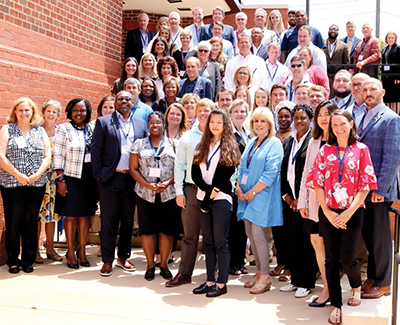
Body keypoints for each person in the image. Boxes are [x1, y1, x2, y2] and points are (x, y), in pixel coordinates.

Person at [306, 109, 378, 324]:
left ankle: (355, 286)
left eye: (342, 124)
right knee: (330, 260)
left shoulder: (362, 149)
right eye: (334, 125)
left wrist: (347, 213)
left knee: (347, 258)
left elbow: (365, 185)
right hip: (328, 212)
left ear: (351, 124)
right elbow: (316, 183)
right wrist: (327, 212)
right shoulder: (325, 149)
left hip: (353, 212)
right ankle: (336, 304)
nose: (338, 128)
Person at [91, 91, 147, 276]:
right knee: (109, 220)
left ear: (133, 102)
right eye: (120, 99)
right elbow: (96, 150)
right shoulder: (104, 122)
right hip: (110, 178)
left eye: (127, 99)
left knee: (128, 220)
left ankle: (123, 257)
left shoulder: (140, 123)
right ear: (115, 102)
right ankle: (107, 260)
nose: (124, 101)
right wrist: (99, 176)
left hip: (132, 179)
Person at [358, 78, 400, 299]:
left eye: (373, 89)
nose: (368, 92)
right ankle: (373, 277)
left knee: (381, 238)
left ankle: (384, 283)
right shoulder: (363, 115)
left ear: (382, 91)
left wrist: (381, 189)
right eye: (364, 90)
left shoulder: (391, 119)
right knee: (370, 236)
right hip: (364, 190)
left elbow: (392, 157)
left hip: (378, 192)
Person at [165, 98, 215, 287]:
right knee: (190, 236)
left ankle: (214, 274)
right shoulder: (187, 137)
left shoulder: (219, 135)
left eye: (207, 110)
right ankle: (185, 274)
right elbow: (179, 166)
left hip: (213, 193)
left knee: (213, 236)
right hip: (191, 191)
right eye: (200, 110)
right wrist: (179, 191)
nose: (203, 113)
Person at [191, 108, 240, 297]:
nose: (215, 125)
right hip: (202, 197)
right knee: (208, 243)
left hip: (220, 200)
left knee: (221, 242)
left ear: (225, 124)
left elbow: (223, 177)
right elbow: (195, 173)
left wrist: (207, 199)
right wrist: (203, 196)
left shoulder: (229, 146)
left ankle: (221, 284)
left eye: (219, 122)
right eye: (212, 122)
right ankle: (209, 280)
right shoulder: (202, 145)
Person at [0, 98, 51, 274]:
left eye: (27, 110)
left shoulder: (40, 131)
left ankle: (28, 260)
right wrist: (18, 175)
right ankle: (13, 260)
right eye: (20, 110)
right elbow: (1, 156)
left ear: (32, 112)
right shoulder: (7, 129)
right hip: (12, 184)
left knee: (31, 222)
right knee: (13, 222)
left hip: (36, 184)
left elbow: (47, 156)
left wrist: (37, 175)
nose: (24, 113)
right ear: (15, 111)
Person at [236, 107, 284, 294]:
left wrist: (251, 193)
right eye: (256, 121)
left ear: (270, 124)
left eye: (263, 121)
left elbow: (271, 172)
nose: (259, 124)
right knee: (249, 232)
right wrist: (239, 187)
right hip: (246, 195)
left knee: (258, 234)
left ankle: (265, 276)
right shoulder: (251, 142)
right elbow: (241, 167)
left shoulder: (274, 143)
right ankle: (258, 272)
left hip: (261, 195)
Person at [129, 111, 180, 281]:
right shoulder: (139, 144)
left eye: (158, 123)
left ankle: (163, 265)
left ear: (163, 125)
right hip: (145, 194)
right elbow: (133, 169)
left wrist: (167, 183)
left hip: (168, 193)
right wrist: (148, 185)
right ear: (147, 125)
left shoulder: (174, 144)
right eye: (152, 123)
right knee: (148, 231)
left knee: (166, 231)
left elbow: (180, 168)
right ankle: (150, 265)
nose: (155, 125)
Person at [298, 100, 338, 307]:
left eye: (328, 114)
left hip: (334, 204)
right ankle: (327, 287)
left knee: (333, 247)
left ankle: (336, 287)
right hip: (313, 203)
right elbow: (307, 173)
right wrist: (303, 200)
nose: (323, 118)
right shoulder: (313, 142)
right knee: (316, 243)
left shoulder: (340, 142)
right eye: (320, 114)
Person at [278, 104, 318, 298]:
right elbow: (284, 170)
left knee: (306, 243)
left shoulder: (314, 141)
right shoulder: (288, 141)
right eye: (296, 118)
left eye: (303, 118)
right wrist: (287, 196)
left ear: (310, 119)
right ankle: (295, 280)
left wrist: (301, 200)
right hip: (290, 201)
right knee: (292, 241)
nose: (299, 121)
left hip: (307, 202)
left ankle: (306, 282)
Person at [53, 98, 98, 269]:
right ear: (70, 112)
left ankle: (82, 251)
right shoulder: (64, 129)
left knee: (85, 216)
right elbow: (57, 154)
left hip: (89, 179)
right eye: (76, 111)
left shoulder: (92, 128)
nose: (79, 114)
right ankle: (70, 251)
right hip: (70, 177)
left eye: (83, 110)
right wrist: (61, 179)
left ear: (87, 112)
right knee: (71, 215)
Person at [36, 100, 63, 263]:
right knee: (37, 215)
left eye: (54, 112)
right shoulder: (36, 131)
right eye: (49, 111)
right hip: (38, 179)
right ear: (43, 113)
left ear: (58, 115)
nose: (51, 114)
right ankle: (36, 250)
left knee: (52, 215)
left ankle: (50, 248)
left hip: (55, 179)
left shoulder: (60, 132)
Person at [228, 99, 252, 276]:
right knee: (231, 227)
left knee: (242, 225)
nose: (239, 114)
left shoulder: (249, 135)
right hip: (231, 187)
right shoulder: (227, 134)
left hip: (247, 187)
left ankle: (239, 261)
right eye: (236, 111)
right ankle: (231, 264)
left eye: (243, 111)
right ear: (230, 114)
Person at [324, 25, 350, 95]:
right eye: (331, 29)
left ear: (338, 32)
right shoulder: (322, 43)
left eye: (335, 30)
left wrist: (342, 75)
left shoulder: (344, 46)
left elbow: (346, 62)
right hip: (325, 74)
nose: (333, 31)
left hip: (337, 75)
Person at [381, 31, 400, 110]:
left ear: (395, 39)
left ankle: (396, 114)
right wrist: (382, 78)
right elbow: (383, 63)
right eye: (389, 38)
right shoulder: (384, 49)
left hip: (394, 77)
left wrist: (398, 77)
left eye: (392, 38)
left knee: (396, 97)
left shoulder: (398, 48)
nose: (390, 39)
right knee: (387, 97)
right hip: (386, 77)